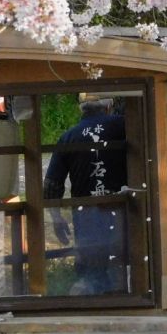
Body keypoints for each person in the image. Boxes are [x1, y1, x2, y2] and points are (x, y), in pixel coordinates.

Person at [43, 97, 128, 294]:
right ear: (108, 107)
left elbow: (51, 185)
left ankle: (91, 304)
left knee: (92, 271)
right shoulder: (123, 126)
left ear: (81, 110)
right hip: (123, 211)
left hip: (86, 215)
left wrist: (56, 219)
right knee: (124, 266)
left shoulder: (68, 136)